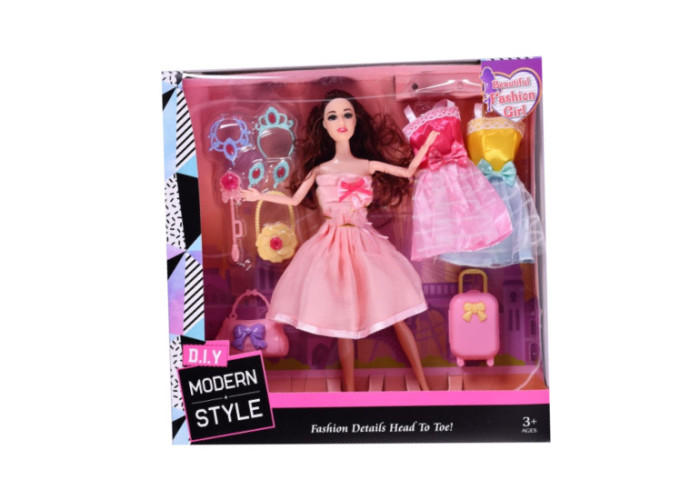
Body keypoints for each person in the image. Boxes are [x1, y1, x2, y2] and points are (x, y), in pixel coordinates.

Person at [243, 90, 437, 391]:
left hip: (365, 242)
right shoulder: (320, 170)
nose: (341, 121)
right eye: (332, 116)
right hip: (331, 243)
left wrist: (430, 139)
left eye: (347, 114)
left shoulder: (367, 164)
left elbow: (409, 171)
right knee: (343, 323)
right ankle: (349, 393)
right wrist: (259, 195)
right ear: (324, 124)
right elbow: (293, 200)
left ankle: (424, 385)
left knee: (395, 312)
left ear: (356, 120)